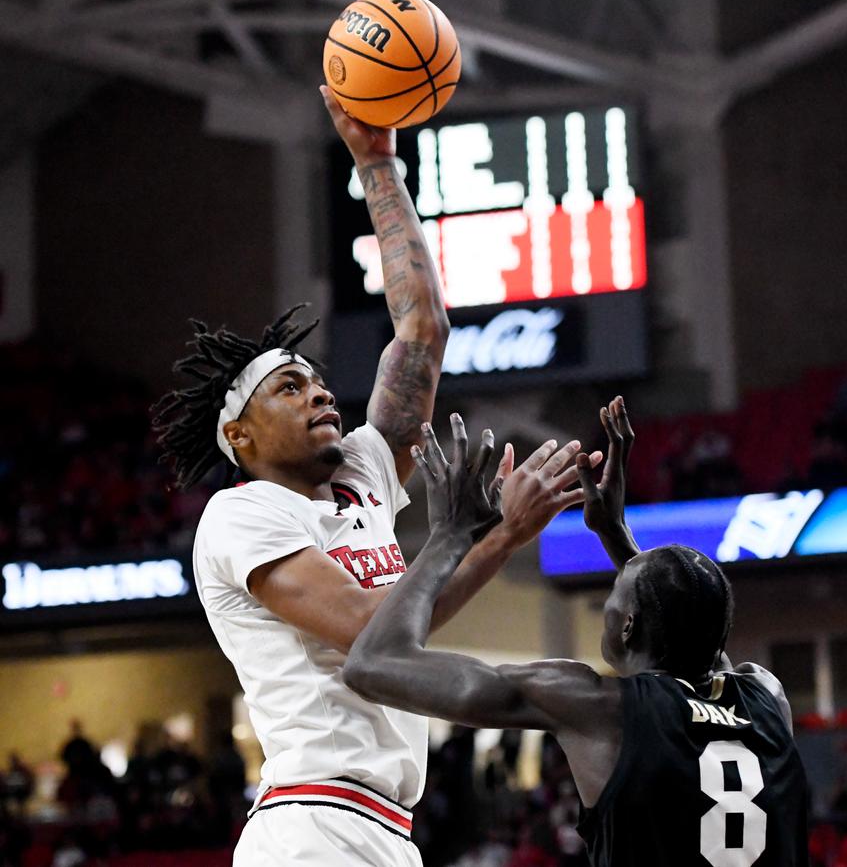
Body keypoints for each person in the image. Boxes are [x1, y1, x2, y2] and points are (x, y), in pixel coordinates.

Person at [152, 88, 601, 867]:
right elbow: (374, 634)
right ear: (239, 434)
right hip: (312, 824)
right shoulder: (241, 516)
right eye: (289, 388)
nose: (320, 392)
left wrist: (377, 163)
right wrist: (489, 537)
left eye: (316, 379)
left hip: (385, 828)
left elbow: (421, 331)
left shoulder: (359, 476)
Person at [345, 397, 809, 866]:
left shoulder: (595, 705)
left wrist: (449, 536)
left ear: (628, 626)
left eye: (614, 593)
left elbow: (372, 664)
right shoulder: (766, 697)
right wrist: (616, 534)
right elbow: (700, 638)